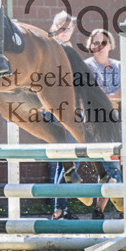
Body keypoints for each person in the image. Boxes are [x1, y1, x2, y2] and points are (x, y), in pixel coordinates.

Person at [83, 28, 126, 219]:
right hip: (95, 123)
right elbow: (93, 97)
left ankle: (107, 209)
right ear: (90, 45)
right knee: (108, 167)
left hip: (117, 122)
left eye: (103, 43)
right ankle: (116, 209)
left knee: (116, 166)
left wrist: (109, 97)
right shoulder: (86, 67)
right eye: (95, 43)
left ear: (110, 45)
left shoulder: (119, 66)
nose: (99, 46)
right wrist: (115, 96)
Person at [47, 11, 82, 217]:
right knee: (71, 159)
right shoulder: (50, 46)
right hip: (56, 108)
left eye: (68, 28)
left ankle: (60, 208)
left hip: (70, 108)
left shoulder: (69, 49)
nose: (64, 31)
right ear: (53, 27)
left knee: (66, 161)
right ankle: (60, 208)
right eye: (61, 27)